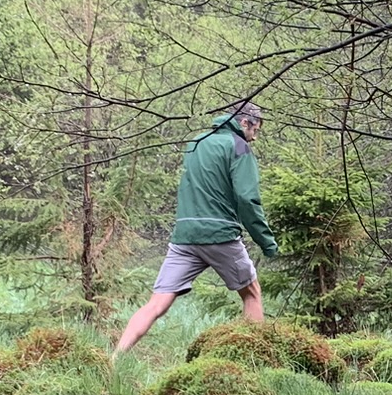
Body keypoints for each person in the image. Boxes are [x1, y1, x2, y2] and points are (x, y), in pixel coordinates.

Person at [113, 101, 279, 357]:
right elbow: (247, 199)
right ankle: (256, 361)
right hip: (220, 235)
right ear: (244, 122)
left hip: (185, 235)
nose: (255, 136)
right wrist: (266, 242)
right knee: (251, 293)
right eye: (256, 128)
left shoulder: (196, 143)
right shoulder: (238, 146)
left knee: (156, 303)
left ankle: (115, 358)